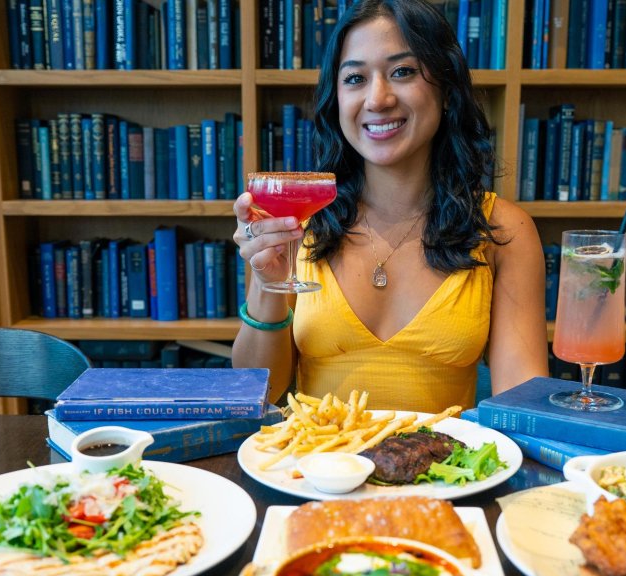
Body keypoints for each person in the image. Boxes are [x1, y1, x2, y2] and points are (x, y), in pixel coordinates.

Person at [231, 0, 548, 413]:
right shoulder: (300, 218)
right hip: (313, 471)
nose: (377, 99)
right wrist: (268, 283)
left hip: (444, 473)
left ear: (447, 91)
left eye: (402, 72)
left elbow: (520, 407)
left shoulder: (503, 228)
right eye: (356, 78)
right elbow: (259, 392)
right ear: (336, 99)